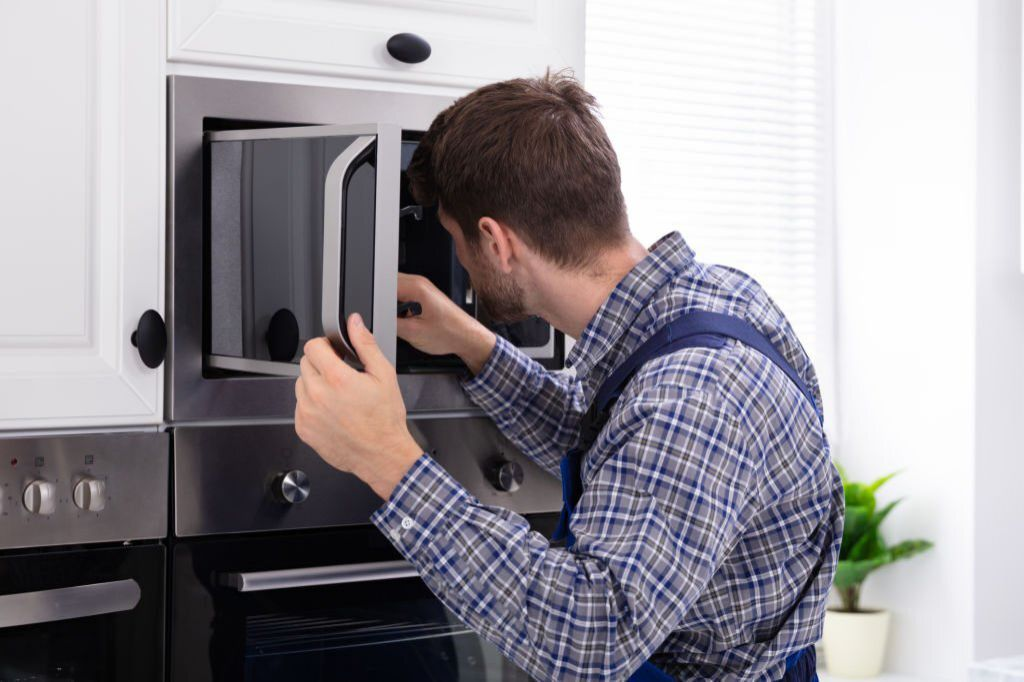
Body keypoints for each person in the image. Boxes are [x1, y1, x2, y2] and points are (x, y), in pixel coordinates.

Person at [294, 71, 844, 681]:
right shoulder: (713, 298)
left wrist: (387, 460)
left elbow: (593, 636)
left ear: (497, 243)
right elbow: (619, 452)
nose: (460, 265)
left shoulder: (694, 392)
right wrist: (471, 343)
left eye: (455, 240)